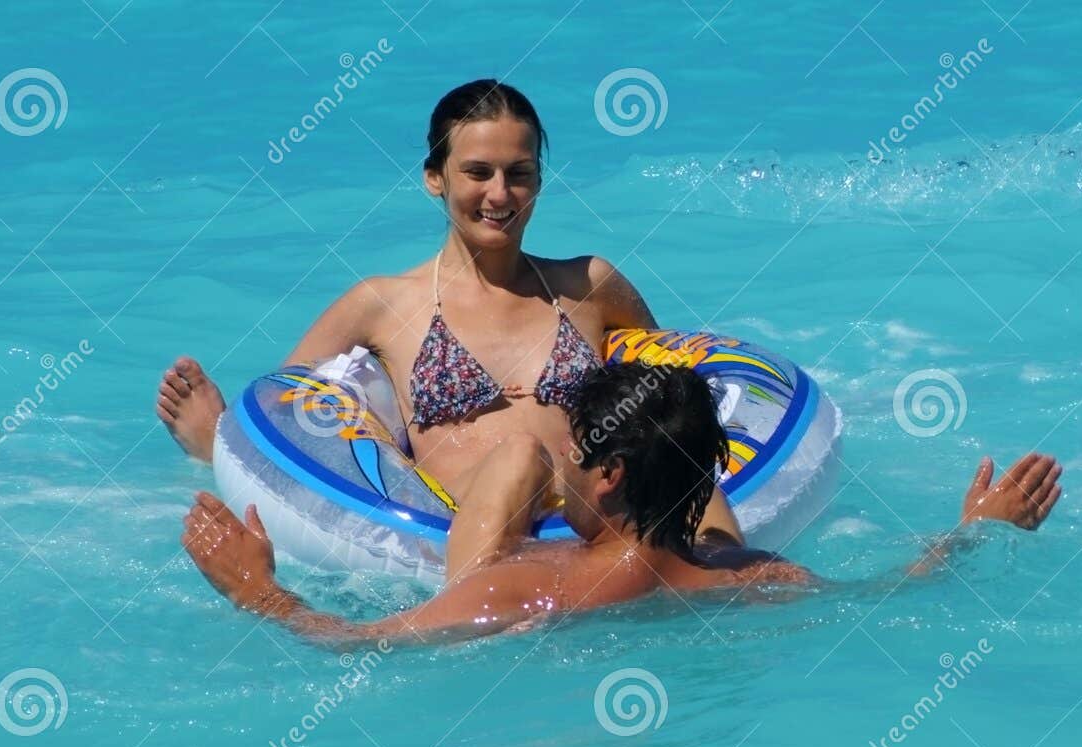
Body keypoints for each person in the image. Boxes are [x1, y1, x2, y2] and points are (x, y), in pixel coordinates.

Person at [156, 78, 743, 553]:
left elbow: (665, 396)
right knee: (520, 455)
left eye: (519, 173)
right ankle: (212, 443)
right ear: (434, 178)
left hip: (598, 512)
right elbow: (293, 418)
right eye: (477, 172)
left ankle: (731, 576)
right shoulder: (384, 303)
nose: (500, 194)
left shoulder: (588, 284)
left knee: (683, 456)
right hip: (462, 525)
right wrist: (227, 440)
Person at [182, 363, 1065, 646]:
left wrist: (261, 592)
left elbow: (356, 649)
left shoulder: (520, 585)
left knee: (513, 453)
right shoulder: (755, 574)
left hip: (569, 603)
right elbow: (891, 590)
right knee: (671, 495)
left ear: (603, 480)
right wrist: (971, 531)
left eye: (576, 458)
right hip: (677, 570)